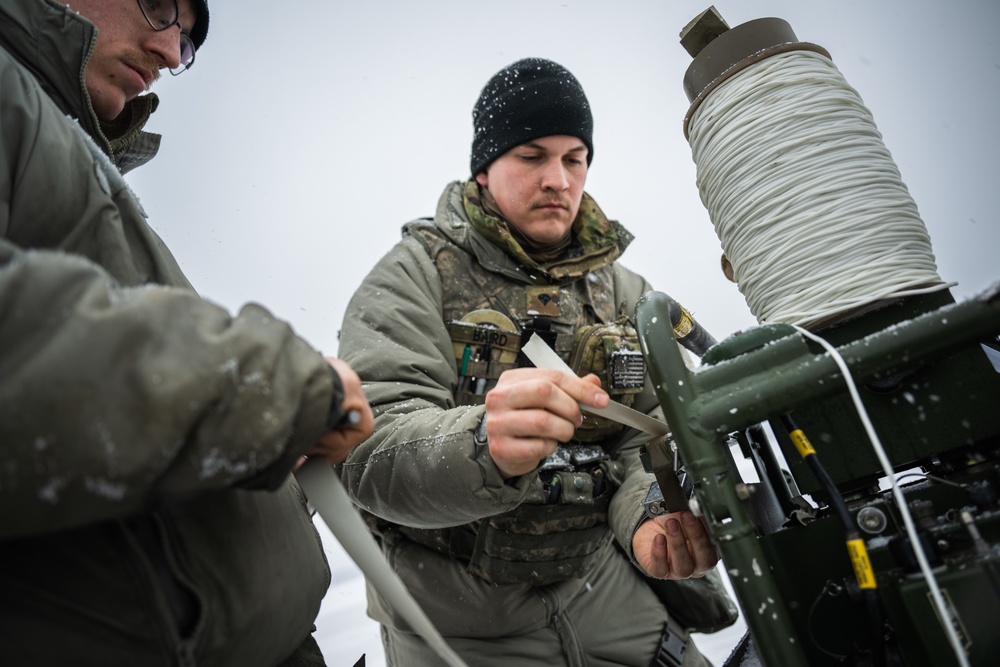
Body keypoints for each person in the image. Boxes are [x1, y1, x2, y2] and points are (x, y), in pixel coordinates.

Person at [0, 1, 374, 665]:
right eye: (161, 5)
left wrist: (260, 454)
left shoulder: (69, 146)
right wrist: (264, 386)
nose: (173, 53)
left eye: (189, 40)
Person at [337, 58, 732, 667]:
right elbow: (366, 450)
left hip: (611, 597)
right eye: (532, 155)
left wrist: (649, 520)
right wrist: (483, 447)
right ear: (485, 167)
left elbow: (646, 441)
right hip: (459, 628)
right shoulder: (411, 276)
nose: (558, 179)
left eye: (575, 159)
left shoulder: (622, 291)